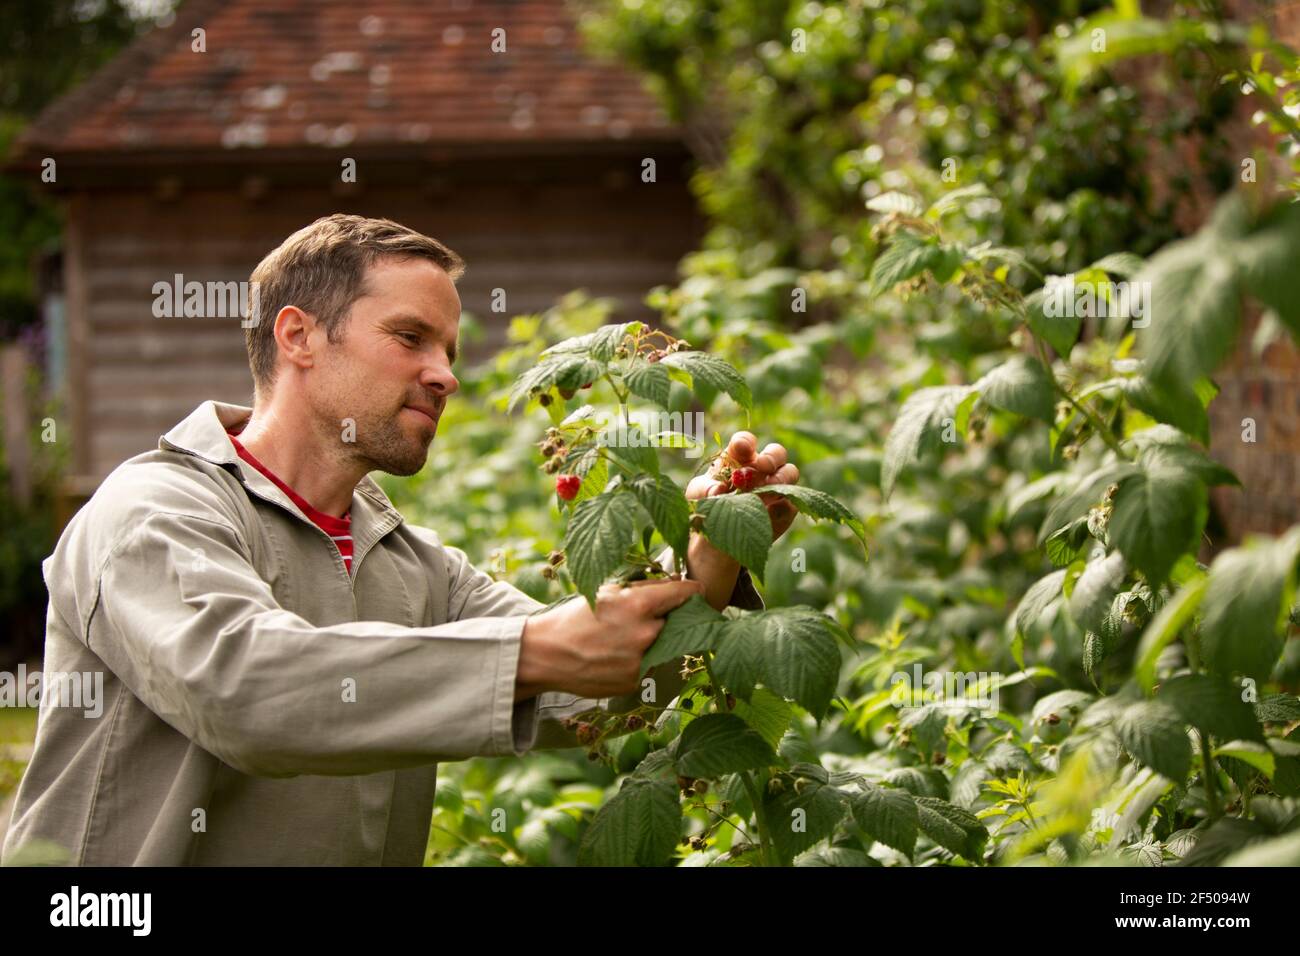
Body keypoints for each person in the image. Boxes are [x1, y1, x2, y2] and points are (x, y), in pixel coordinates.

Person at [1, 214, 801, 866]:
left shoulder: (411, 563)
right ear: (299, 337)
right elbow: (243, 690)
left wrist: (711, 554)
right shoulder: (154, 511)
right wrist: (528, 651)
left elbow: (597, 692)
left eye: (449, 351)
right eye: (410, 337)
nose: (447, 374)